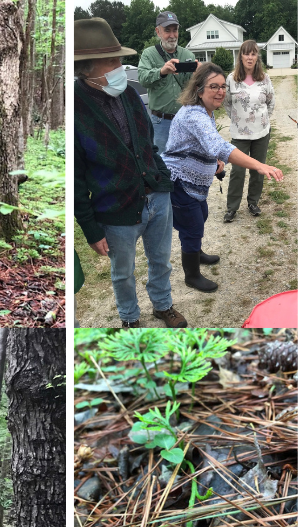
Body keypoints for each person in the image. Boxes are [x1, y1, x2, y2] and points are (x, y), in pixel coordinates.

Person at [73, 17, 188, 328]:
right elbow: (75, 179)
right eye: (110, 61)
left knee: (161, 261)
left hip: (156, 198)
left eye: (119, 59)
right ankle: (129, 319)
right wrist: (90, 229)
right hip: (116, 210)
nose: (119, 66)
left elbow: (149, 145)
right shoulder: (75, 109)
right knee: (123, 273)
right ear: (86, 67)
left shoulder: (128, 95)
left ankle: (163, 306)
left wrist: (163, 183)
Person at [165, 62, 284, 293]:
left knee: (201, 215)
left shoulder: (205, 112)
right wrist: (258, 165)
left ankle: (196, 253)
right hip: (179, 180)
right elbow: (218, 145)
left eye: (222, 87)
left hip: (194, 181)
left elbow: (205, 145)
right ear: (199, 89)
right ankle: (191, 275)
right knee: (192, 225)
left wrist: (216, 163)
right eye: (213, 87)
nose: (220, 91)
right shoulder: (194, 115)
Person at [223, 40, 277, 222]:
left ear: (257, 57)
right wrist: (239, 119)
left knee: (258, 169)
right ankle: (232, 208)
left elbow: (271, 102)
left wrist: (262, 119)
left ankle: (253, 202)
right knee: (237, 171)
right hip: (239, 134)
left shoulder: (265, 79)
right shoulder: (231, 79)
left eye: (253, 54)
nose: (250, 57)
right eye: (246, 54)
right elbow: (227, 103)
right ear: (241, 56)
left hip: (261, 133)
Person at [137, 10, 196, 155]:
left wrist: (199, 75)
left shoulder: (187, 54)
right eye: (167, 30)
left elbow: (194, 88)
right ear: (158, 31)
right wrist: (161, 72)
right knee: (161, 162)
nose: (172, 35)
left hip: (185, 120)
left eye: (175, 30)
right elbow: (143, 79)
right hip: (160, 122)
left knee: (185, 161)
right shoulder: (149, 54)